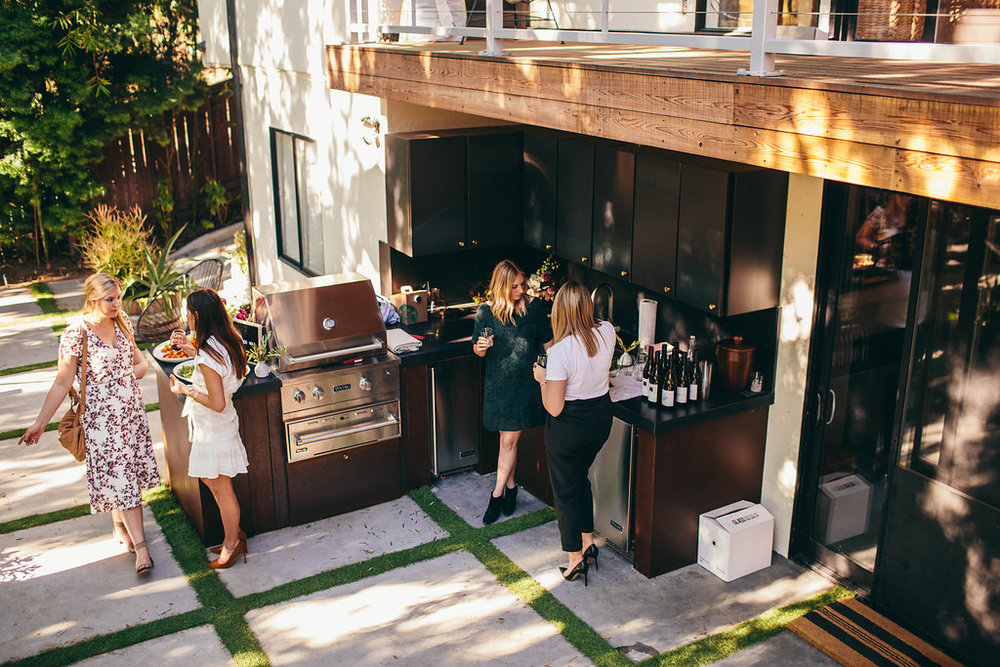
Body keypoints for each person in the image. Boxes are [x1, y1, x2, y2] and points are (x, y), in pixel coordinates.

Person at [19, 273, 159, 574]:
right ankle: (142, 548)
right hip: (102, 421)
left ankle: (119, 525)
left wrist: (136, 371)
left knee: (122, 473)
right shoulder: (75, 333)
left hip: (130, 414)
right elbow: (62, 382)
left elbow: (139, 360)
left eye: (118, 297)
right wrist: (40, 423)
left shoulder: (121, 322)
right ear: (93, 299)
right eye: (110, 299)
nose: (116, 304)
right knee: (122, 478)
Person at [532, 281, 615, 585]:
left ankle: (574, 560)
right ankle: (587, 542)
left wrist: (542, 378)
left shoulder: (561, 352)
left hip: (569, 426)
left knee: (565, 491)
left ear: (559, 312)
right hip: (600, 420)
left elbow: (553, 407)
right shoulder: (607, 332)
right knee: (579, 478)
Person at [167, 289, 250, 569]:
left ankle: (232, 544)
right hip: (218, 426)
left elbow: (216, 402)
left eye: (188, 312)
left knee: (222, 488)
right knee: (211, 481)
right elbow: (218, 368)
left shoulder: (208, 355)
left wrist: (184, 389)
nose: (185, 317)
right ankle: (233, 534)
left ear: (197, 315)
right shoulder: (227, 340)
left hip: (214, 427)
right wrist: (193, 351)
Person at [473, 259, 551, 524]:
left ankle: (495, 496)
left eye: (523, 283)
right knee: (508, 441)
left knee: (508, 442)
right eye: (515, 286)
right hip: (498, 386)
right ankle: (511, 487)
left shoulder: (536, 309)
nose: (522, 290)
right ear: (502, 287)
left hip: (525, 385)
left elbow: (549, 345)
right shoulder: (486, 312)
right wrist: (481, 347)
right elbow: (477, 348)